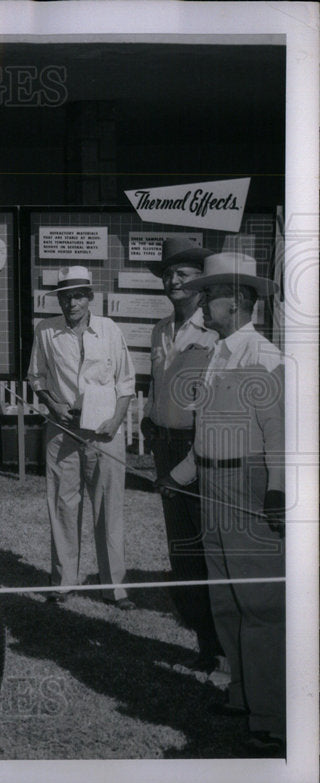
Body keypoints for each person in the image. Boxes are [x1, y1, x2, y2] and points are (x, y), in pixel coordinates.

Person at [156, 252, 285, 757]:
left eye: (210, 294)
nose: (203, 302)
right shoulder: (216, 352)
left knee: (260, 605)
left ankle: (273, 717)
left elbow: (279, 435)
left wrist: (276, 492)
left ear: (238, 300)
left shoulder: (264, 357)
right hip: (210, 485)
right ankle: (241, 694)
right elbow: (207, 432)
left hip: (249, 486)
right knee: (226, 600)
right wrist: (180, 476)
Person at [28, 266, 136, 609]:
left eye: (77, 295)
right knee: (62, 505)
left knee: (108, 510)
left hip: (105, 433)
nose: (71, 303)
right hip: (62, 431)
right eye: (64, 296)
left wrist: (116, 421)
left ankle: (115, 588)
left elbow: (126, 383)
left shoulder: (109, 330)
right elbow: (36, 378)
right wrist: (52, 404)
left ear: (90, 297)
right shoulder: (46, 331)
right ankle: (62, 583)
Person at [141, 238, 225, 675]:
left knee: (208, 546)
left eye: (184, 275)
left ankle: (223, 647)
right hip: (164, 446)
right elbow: (157, 385)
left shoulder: (214, 334)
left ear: (200, 283)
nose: (174, 281)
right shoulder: (159, 330)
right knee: (182, 552)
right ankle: (204, 642)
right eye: (169, 274)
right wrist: (149, 423)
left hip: (201, 449)